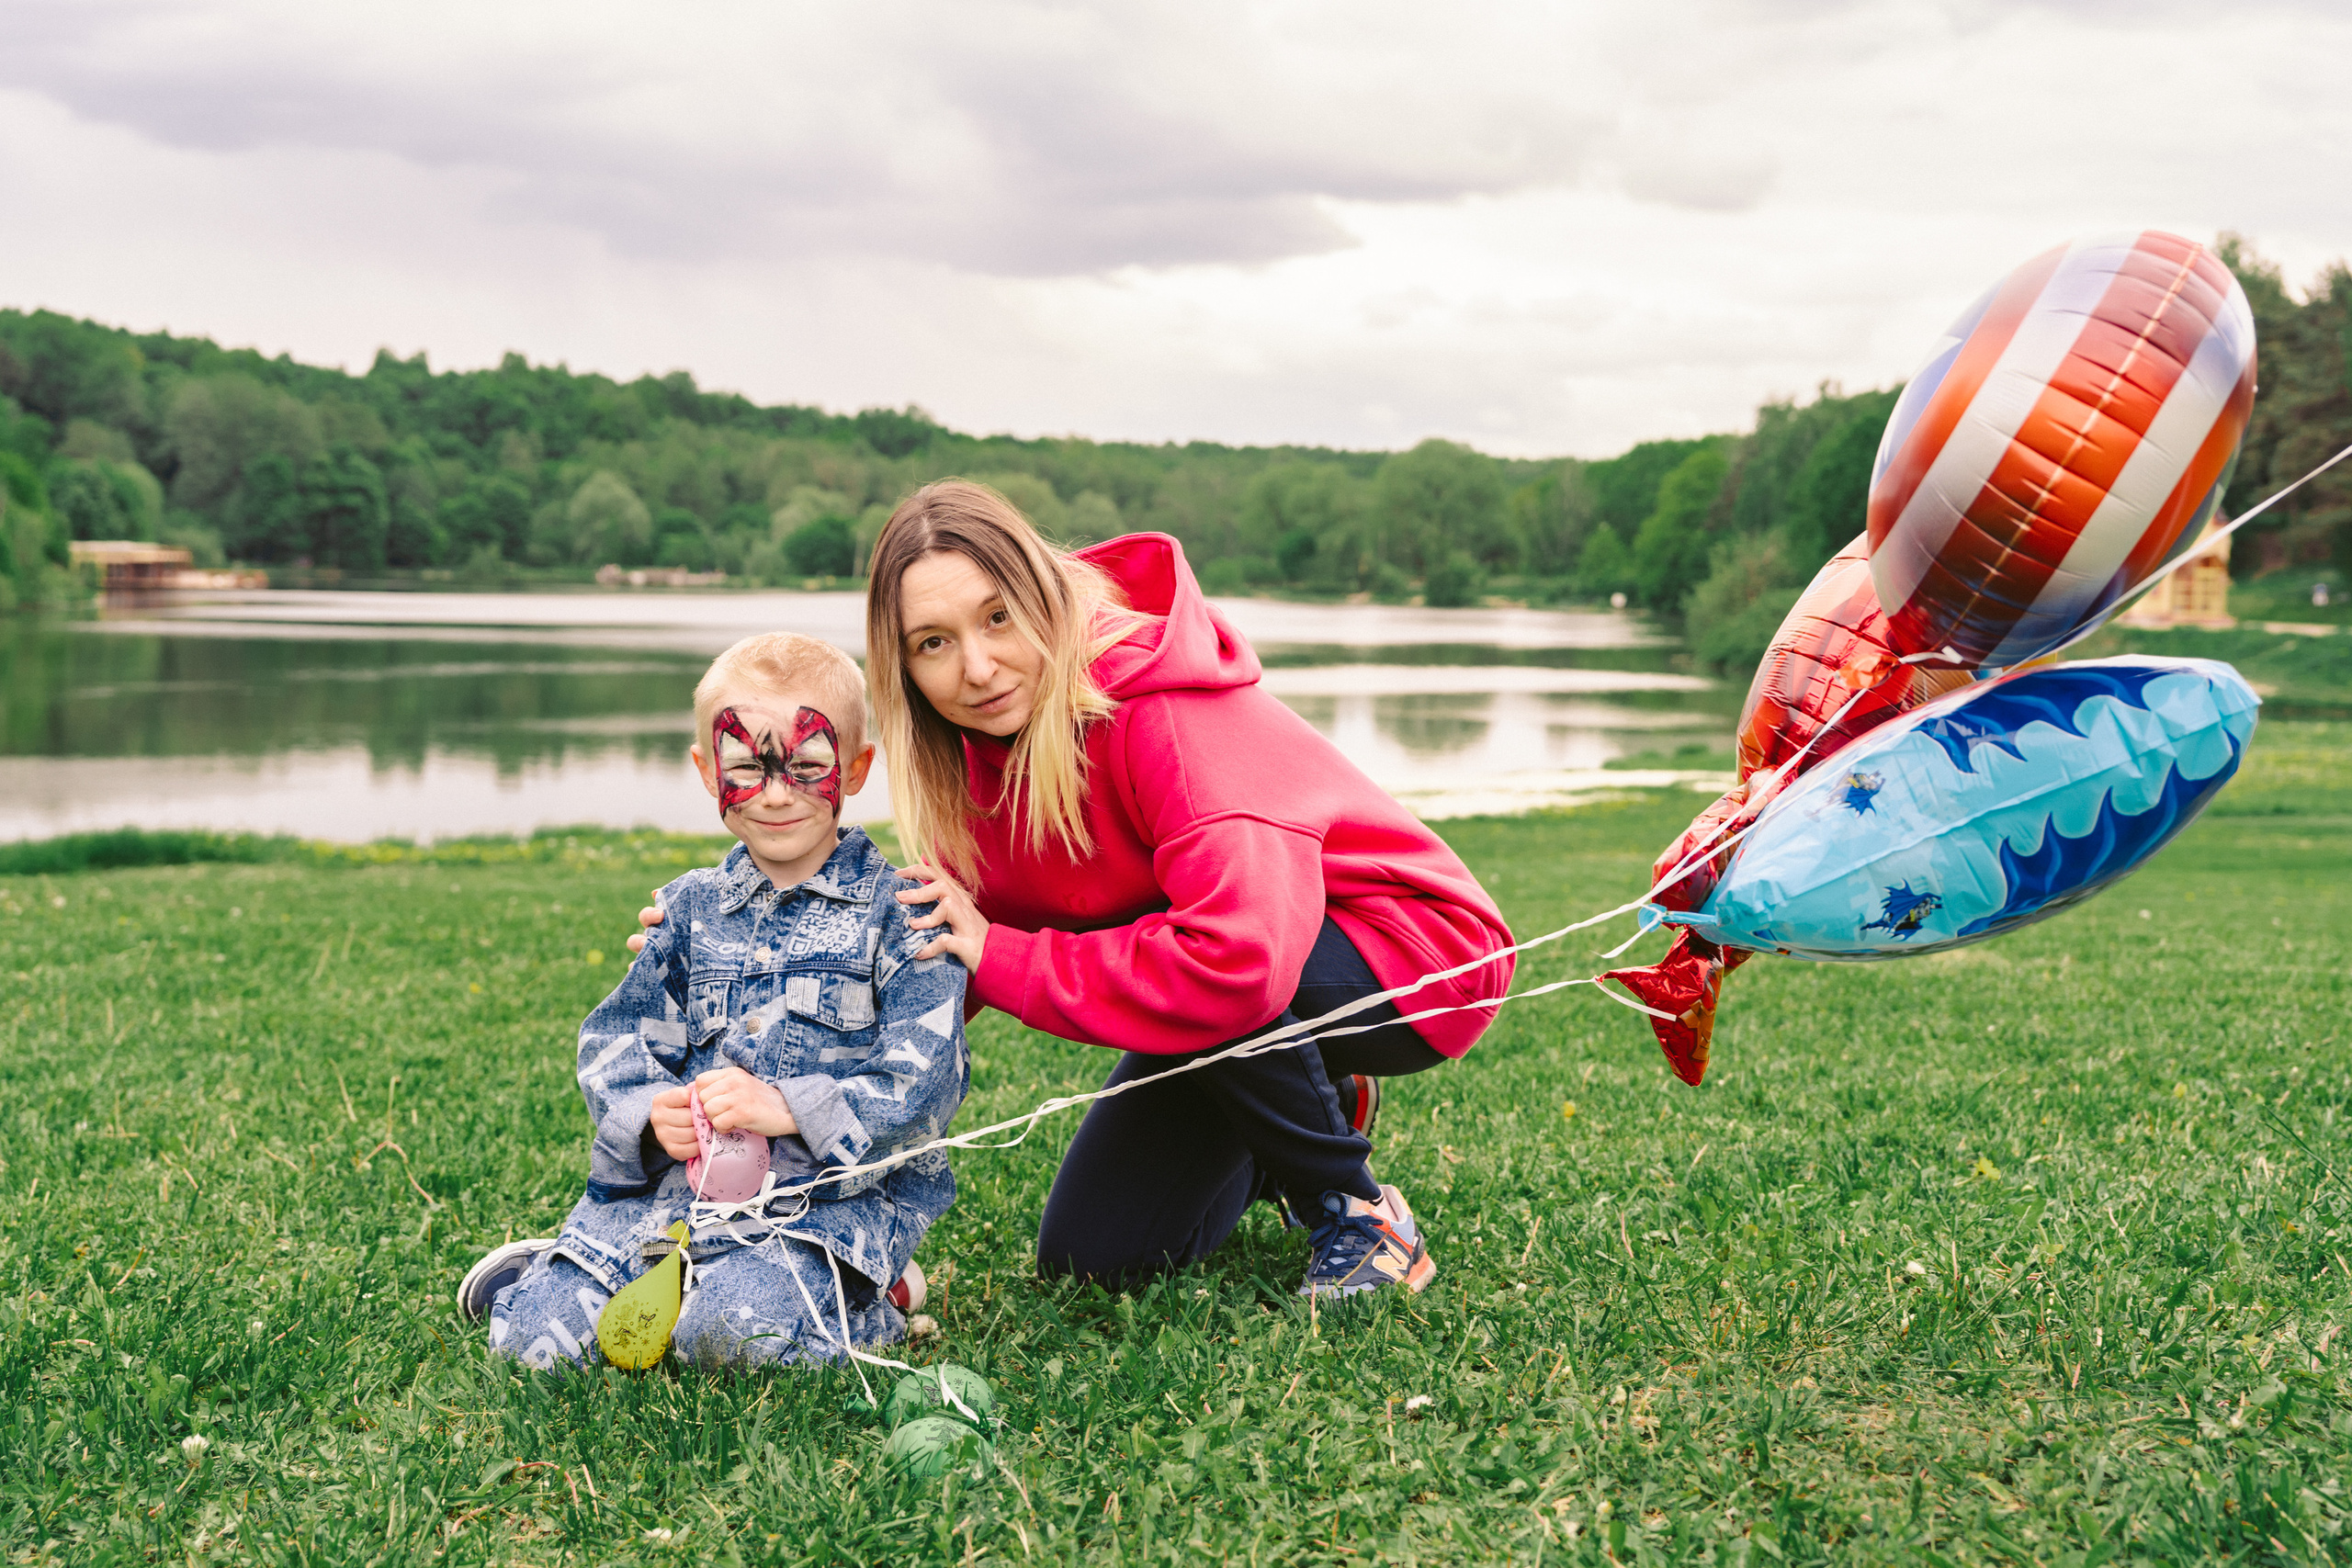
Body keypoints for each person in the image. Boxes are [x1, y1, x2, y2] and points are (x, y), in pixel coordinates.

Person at [638, 482, 1517, 1297]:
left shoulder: (1162, 711)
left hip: (1405, 953)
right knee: (1096, 1257)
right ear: (903, 668)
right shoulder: (965, 764)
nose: (976, 667)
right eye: (933, 644)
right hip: (1220, 973)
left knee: (1233, 977)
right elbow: (932, 957)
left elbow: (1238, 959)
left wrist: (1008, 952)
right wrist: (736, 957)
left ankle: (1357, 1211)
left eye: (998, 617)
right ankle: (1303, 1097)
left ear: (1046, 597)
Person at [456, 632, 967, 1369]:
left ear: (856, 769)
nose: (777, 793)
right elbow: (618, 1041)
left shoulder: (903, 915)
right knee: (534, 1344)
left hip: (822, 1214)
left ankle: (876, 1297)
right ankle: (560, 1269)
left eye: (808, 765)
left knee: (725, 1340)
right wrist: (649, 1112)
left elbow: (926, 1086)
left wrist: (790, 1108)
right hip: (672, 1202)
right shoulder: (687, 911)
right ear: (706, 772)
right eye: (745, 770)